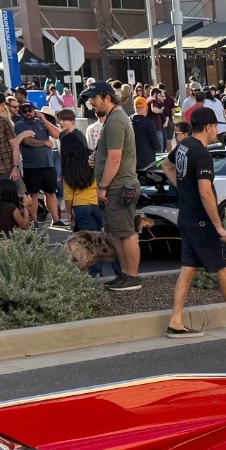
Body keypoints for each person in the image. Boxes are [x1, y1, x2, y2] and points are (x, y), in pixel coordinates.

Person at [161, 107, 226, 338]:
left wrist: (182, 189)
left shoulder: (183, 146)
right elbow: (206, 193)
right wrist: (218, 226)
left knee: (188, 268)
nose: (218, 131)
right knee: (224, 267)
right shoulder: (202, 154)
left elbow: (166, 165)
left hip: (187, 216)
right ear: (209, 127)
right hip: (201, 221)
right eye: (216, 127)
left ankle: (176, 322)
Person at [85, 80, 142, 292]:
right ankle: (124, 274)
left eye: (94, 98)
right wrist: (96, 158)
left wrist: (102, 186)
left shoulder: (116, 120)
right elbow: (110, 154)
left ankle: (132, 277)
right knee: (116, 233)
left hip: (119, 187)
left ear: (107, 98)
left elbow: (115, 158)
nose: (91, 102)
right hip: (114, 187)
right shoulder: (113, 118)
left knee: (126, 233)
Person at [14, 101, 62, 226]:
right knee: (33, 194)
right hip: (31, 166)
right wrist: (44, 142)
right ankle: (34, 221)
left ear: (35, 110)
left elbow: (57, 134)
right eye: (24, 111)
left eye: (30, 110)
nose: (27, 113)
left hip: (48, 164)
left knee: (50, 193)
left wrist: (45, 120)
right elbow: (27, 141)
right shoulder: (19, 125)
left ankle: (56, 219)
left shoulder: (41, 123)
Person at [130, 97, 162, 173]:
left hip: (131, 163)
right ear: (146, 109)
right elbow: (156, 145)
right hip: (148, 163)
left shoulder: (127, 121)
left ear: (134, 108)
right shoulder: (149, 123)